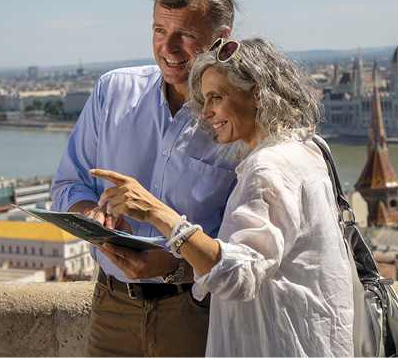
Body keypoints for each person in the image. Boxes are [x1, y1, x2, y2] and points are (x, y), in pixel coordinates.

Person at [91, 38, 355, 357]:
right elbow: (262, 261)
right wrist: (172, 267)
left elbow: (239, 277)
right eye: (204, 99)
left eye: (216, 97)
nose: (205, 113)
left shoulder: (268, 168)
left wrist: (157, 213)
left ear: (258, 95)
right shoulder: (307, 148)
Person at [50, 0, 241, 356]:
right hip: (111, 305)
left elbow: (245, 254)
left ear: (221, 40)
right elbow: (68, 185)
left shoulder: (240, 118)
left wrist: (170, 267)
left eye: (184, 34)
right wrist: (93, 216)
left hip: (198, 311)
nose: (167, 47)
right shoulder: (112, 91)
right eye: (158, 30)